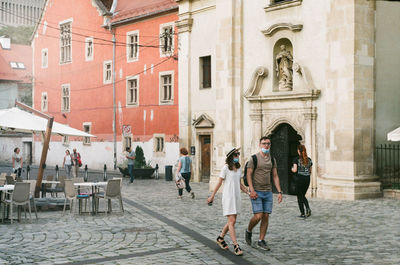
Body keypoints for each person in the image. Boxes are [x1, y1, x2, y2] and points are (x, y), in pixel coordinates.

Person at [207, 148, 248, 256]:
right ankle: (236, 245)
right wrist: (212, 196)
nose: (237, 156)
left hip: (236, 197)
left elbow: (239, 184)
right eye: (235, 155)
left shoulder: (239, 169)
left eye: (238, 154)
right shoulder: (225, 168)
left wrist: (249, 192)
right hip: (228, 197)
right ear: (231, 157)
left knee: (232, 221)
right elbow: (219, 183)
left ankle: (220, 238)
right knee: (231, 221)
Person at [245, 136, 283, 250]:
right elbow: (248, 175)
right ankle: (249, 230)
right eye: (264, 143)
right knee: (258, 216)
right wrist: (251, 190)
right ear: (260, 145)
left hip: (268, 192)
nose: (266, 145)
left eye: (268, 144)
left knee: (266, 216)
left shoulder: (272, 159)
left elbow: (275, 176)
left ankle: (261, 240)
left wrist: (280, 191)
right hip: (256, 191)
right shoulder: (254, 158)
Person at [291, 144, 313, 218]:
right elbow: (310, 171)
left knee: (300, 196)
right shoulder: (309, 160)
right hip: (307, 179)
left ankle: (303, 213)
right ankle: (307, 208)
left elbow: (294, 170)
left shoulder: (296, 159)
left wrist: (291, 169)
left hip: (299, 179)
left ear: (298, 151)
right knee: (302, 195)